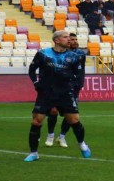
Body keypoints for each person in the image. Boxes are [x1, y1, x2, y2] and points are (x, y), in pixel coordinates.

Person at [25, 31, 89, 162]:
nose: (69, 40)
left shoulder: (74, 56)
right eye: (65, 37)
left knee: (74, 121)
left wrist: (74, 86)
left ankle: (82, 144)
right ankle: (33, 153)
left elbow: (78, 74)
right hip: (46, 93)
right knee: (36, 121)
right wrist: (36, 83)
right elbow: (32, 70)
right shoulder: (43, 54)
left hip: (65, 93)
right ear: (57, 40)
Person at [44, 33, 85, 148]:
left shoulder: (81, 53)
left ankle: (62, 136)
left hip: (74, 87)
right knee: (53, 111)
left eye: (76, 39)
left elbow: (81, 70)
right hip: (57, 86)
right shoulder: (59, 54)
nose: (74, 41)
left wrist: (79, 83)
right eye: (71, 39)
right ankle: (50, 135)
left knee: (70, 114)